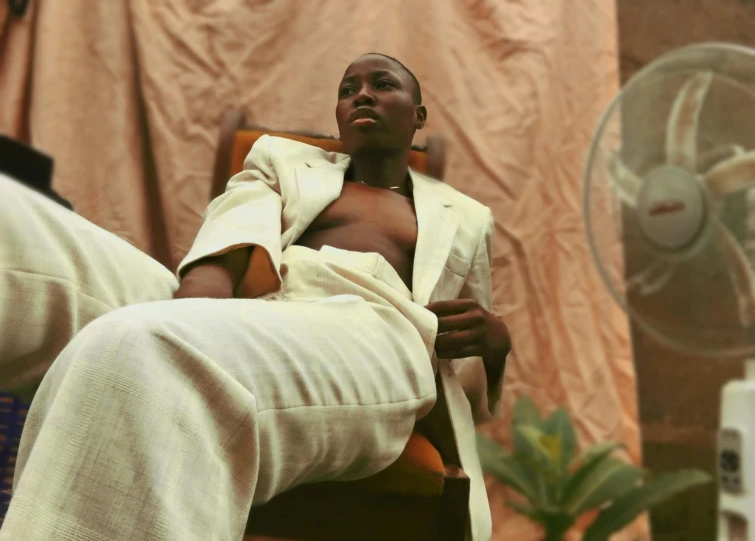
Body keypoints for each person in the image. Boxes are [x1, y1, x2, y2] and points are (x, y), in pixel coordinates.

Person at [0, 53, 510, 540]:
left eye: (382, 85)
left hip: (376, 324)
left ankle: (172, 339)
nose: (362, 97)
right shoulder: (281, 158)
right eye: (348, 89)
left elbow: (457, 379)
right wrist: (199, 300)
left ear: (417, 115)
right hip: (251, 295)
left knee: (143, 350)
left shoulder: (464, 215)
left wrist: (494, 345)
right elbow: (232, 235)